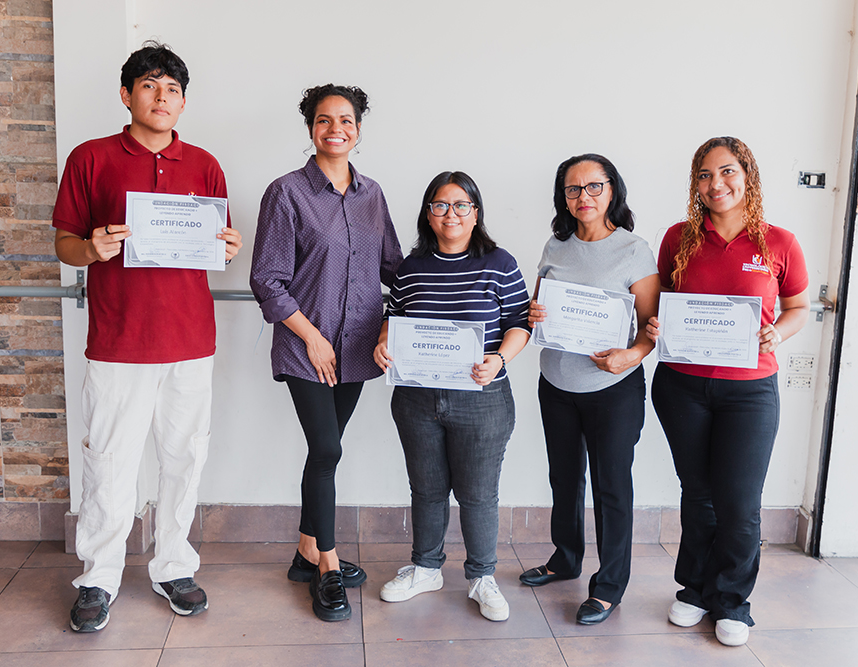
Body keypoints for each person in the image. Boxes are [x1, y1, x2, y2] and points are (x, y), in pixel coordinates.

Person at [52, 41, 243, 633]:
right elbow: (64, 243)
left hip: (190, 341)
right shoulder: (91, 158)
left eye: (173, 89)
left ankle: (172, 566)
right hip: (118, 340)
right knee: (110, 461)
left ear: (184, 101)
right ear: (126, 93)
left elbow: (218, 244)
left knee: (185, 457)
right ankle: (99, 577)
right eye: (150, 86)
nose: (162, 98)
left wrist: (228, 248)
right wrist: (91, 249)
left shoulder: (205, 164)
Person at [250, 84, 403, 622]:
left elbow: (394, 270)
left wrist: (456, 268)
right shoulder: (286, 193)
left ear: (358, 130)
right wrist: (311, 336)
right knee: (329, 450)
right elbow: (268, 281)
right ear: (310, 128)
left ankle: (304, 550)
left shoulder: (373, 195)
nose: (334, 128)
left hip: (359, 348)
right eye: (323, 119)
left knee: (326, 450)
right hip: (305, 348)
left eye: (345, 120)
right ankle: (329, 566)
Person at [648, 136, 809, 646]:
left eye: (726, 172)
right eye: (703, 175)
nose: (715, 184)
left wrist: (776, 332)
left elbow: (798, 307)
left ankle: (733, 601)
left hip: (750, 391)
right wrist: (656, 327)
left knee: (739, 502)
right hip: (682, 387)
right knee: (697, 495)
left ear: (748, 176)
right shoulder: (678, 237)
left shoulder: (778, 243)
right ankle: (695, 590)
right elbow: (666, 304)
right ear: (694, 184)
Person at [374, 171, 530, 622]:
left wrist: (499, 359)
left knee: (478, 494)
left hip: (483, 398)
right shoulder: (411, 266)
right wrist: (383, 342)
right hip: (417, 399)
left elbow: (521, 321)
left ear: (476, 213)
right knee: (426, 489)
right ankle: (426, 568)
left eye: (461, 205)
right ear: (428, 213)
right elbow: (393, 315)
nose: (451, 214)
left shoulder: (499, 263)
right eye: (440, 205)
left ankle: (482, 577)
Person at [518, 154, 659, 625]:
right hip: (556, 381)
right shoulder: (555, 244)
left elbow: (651, 328)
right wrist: (535, 314)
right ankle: (565, 557)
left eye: (594, 187)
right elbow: (538, 306)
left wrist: (630, 355)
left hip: (612, 388)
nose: (583, 197)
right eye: (573, 189)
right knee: (564, 477)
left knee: (611, 486)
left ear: (612, 190)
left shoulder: (634, 249)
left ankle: (609, 586)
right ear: (564, 196)